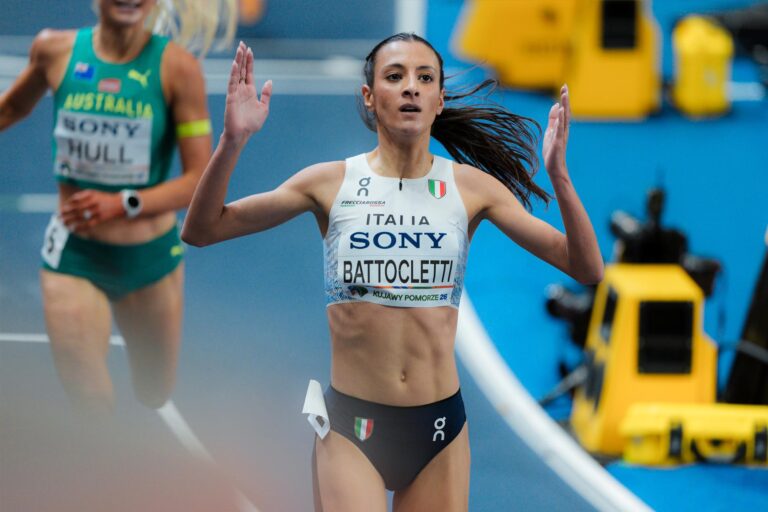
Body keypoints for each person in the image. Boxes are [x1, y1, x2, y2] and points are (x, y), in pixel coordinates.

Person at [182, 33, 604, 511]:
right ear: (369, 96)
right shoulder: (328, 183)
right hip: (352, 429)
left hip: (438, 433)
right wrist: (232, 141)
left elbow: (585, 266)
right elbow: (203, 229)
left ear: (440, 99)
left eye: (425, 78)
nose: (411, 88)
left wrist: (561, 179)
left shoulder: (471, 189)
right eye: (395, 76)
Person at [0, 0, 236, 416]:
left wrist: (122, 203)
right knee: (90, 401)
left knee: (154, 391)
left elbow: (199, 178)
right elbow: (12, 107)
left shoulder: (177, 69)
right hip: (74, 255)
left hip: (149, 261)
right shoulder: (54, 50)